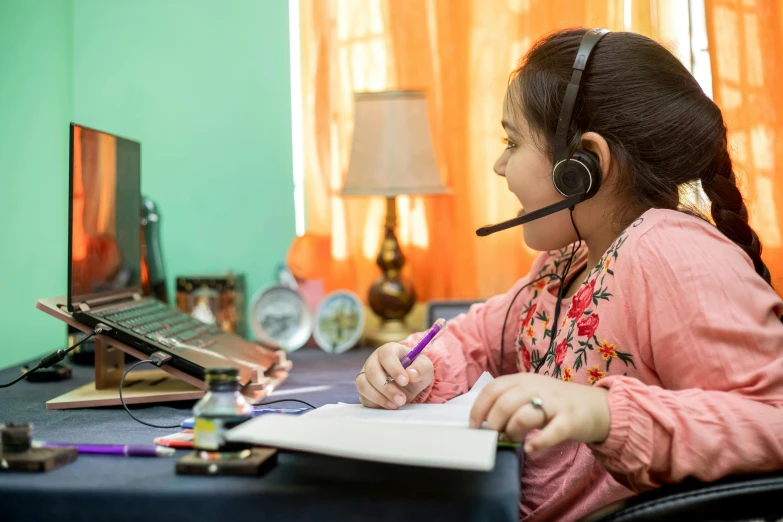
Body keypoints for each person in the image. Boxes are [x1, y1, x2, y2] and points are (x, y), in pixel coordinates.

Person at [355, 27, 783, 522]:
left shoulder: (670, 254)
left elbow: (773, 419)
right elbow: (476, 336)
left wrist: (601, 414)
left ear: (583, 166)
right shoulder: (570, 261)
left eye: (511, 141)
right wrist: (416, 367)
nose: (498, 165)